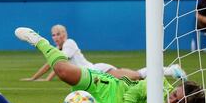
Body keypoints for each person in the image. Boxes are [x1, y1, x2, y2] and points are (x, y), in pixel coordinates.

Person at [12, 27, 206, 103]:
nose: (175, 99)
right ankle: (39, 41)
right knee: (63, 71)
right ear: (176, 87)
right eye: (176, 94)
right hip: (108, 86)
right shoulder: (158, 86)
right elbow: (131, 97)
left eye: (180, 102)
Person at [22, 24, 186, 82]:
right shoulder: (59, 49)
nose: (55, 37)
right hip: (91, 76)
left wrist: (46, 79)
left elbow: (58, 65)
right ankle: (170, 71)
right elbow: (52, 64)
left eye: (58, 34)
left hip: (96, 71)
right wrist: (35, 78)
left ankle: (171, 70)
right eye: (53, 35)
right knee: (135, 79)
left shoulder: (69, 44)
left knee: (136, 76)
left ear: (64, 34)